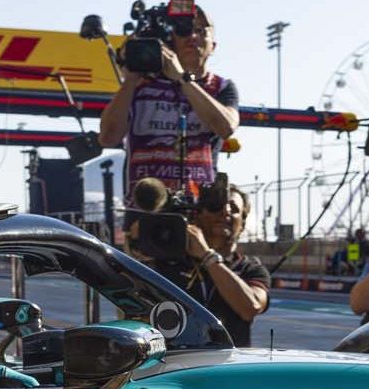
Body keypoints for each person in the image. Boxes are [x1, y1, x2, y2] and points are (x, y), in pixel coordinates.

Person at [98, 4, 239, 201]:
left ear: (213, 46)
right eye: (183, 30)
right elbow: (108, 137)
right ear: (170, 41)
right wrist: (130, 79)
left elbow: (226, 127)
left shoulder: (221, 87)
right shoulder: (141, 84)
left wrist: (182, 77)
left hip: (199, 206)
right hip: (145, 206)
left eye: (200, 30)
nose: (192, 36)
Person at [152, 185, 271, 346]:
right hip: (177, 365)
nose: (226, 211)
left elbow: (250, 307)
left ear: (242, 224)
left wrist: (207, 256)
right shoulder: (167, 263)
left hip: (228, 367)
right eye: (216, 207)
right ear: (197, 216)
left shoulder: (251, 269)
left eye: (234, 209)